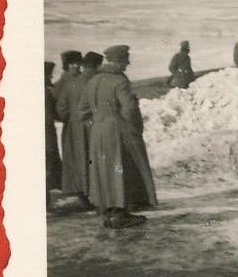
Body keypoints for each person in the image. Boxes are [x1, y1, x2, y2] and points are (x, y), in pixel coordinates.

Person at [79, 45, 158, 229]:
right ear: (119, 60)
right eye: (126, 59)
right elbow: (129, 109)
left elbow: (82, 112)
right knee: (119, 170)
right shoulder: (119, 81)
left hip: (98, 133)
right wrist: (133, 129)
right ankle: (120, 214)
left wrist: (98, 124)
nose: (128, 63)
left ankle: (107, 213)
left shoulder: (92, 81)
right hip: (117, 132)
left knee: (103, 172)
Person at [54, 50, 94, 210]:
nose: (75, 66)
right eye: (71, 63)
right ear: (66, 65)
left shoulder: (83, 79)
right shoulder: (61, 84)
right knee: (77, 161)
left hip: (82, 127)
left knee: (86, 158)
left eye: (77, 63)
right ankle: (81, 194)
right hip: (73, 129)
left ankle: (87, 193)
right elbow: (58, 108)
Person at [44, 62, 62, 208]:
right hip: (46, 133)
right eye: (48, 74)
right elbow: (53, 114)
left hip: (45, 131)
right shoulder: (45, 92)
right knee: (47, 164)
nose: (50, 76)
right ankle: (45, 203)